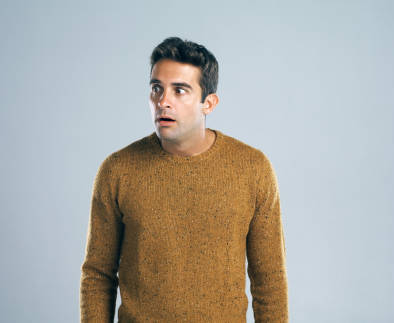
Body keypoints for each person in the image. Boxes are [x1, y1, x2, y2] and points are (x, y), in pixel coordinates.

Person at [80, 36, 288, 322]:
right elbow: (98, 275)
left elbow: (270, 279)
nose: (163, 102)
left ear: (209, 103)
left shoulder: (253, 169)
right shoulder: (117, 170)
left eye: (179, 90)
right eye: (157, 88)